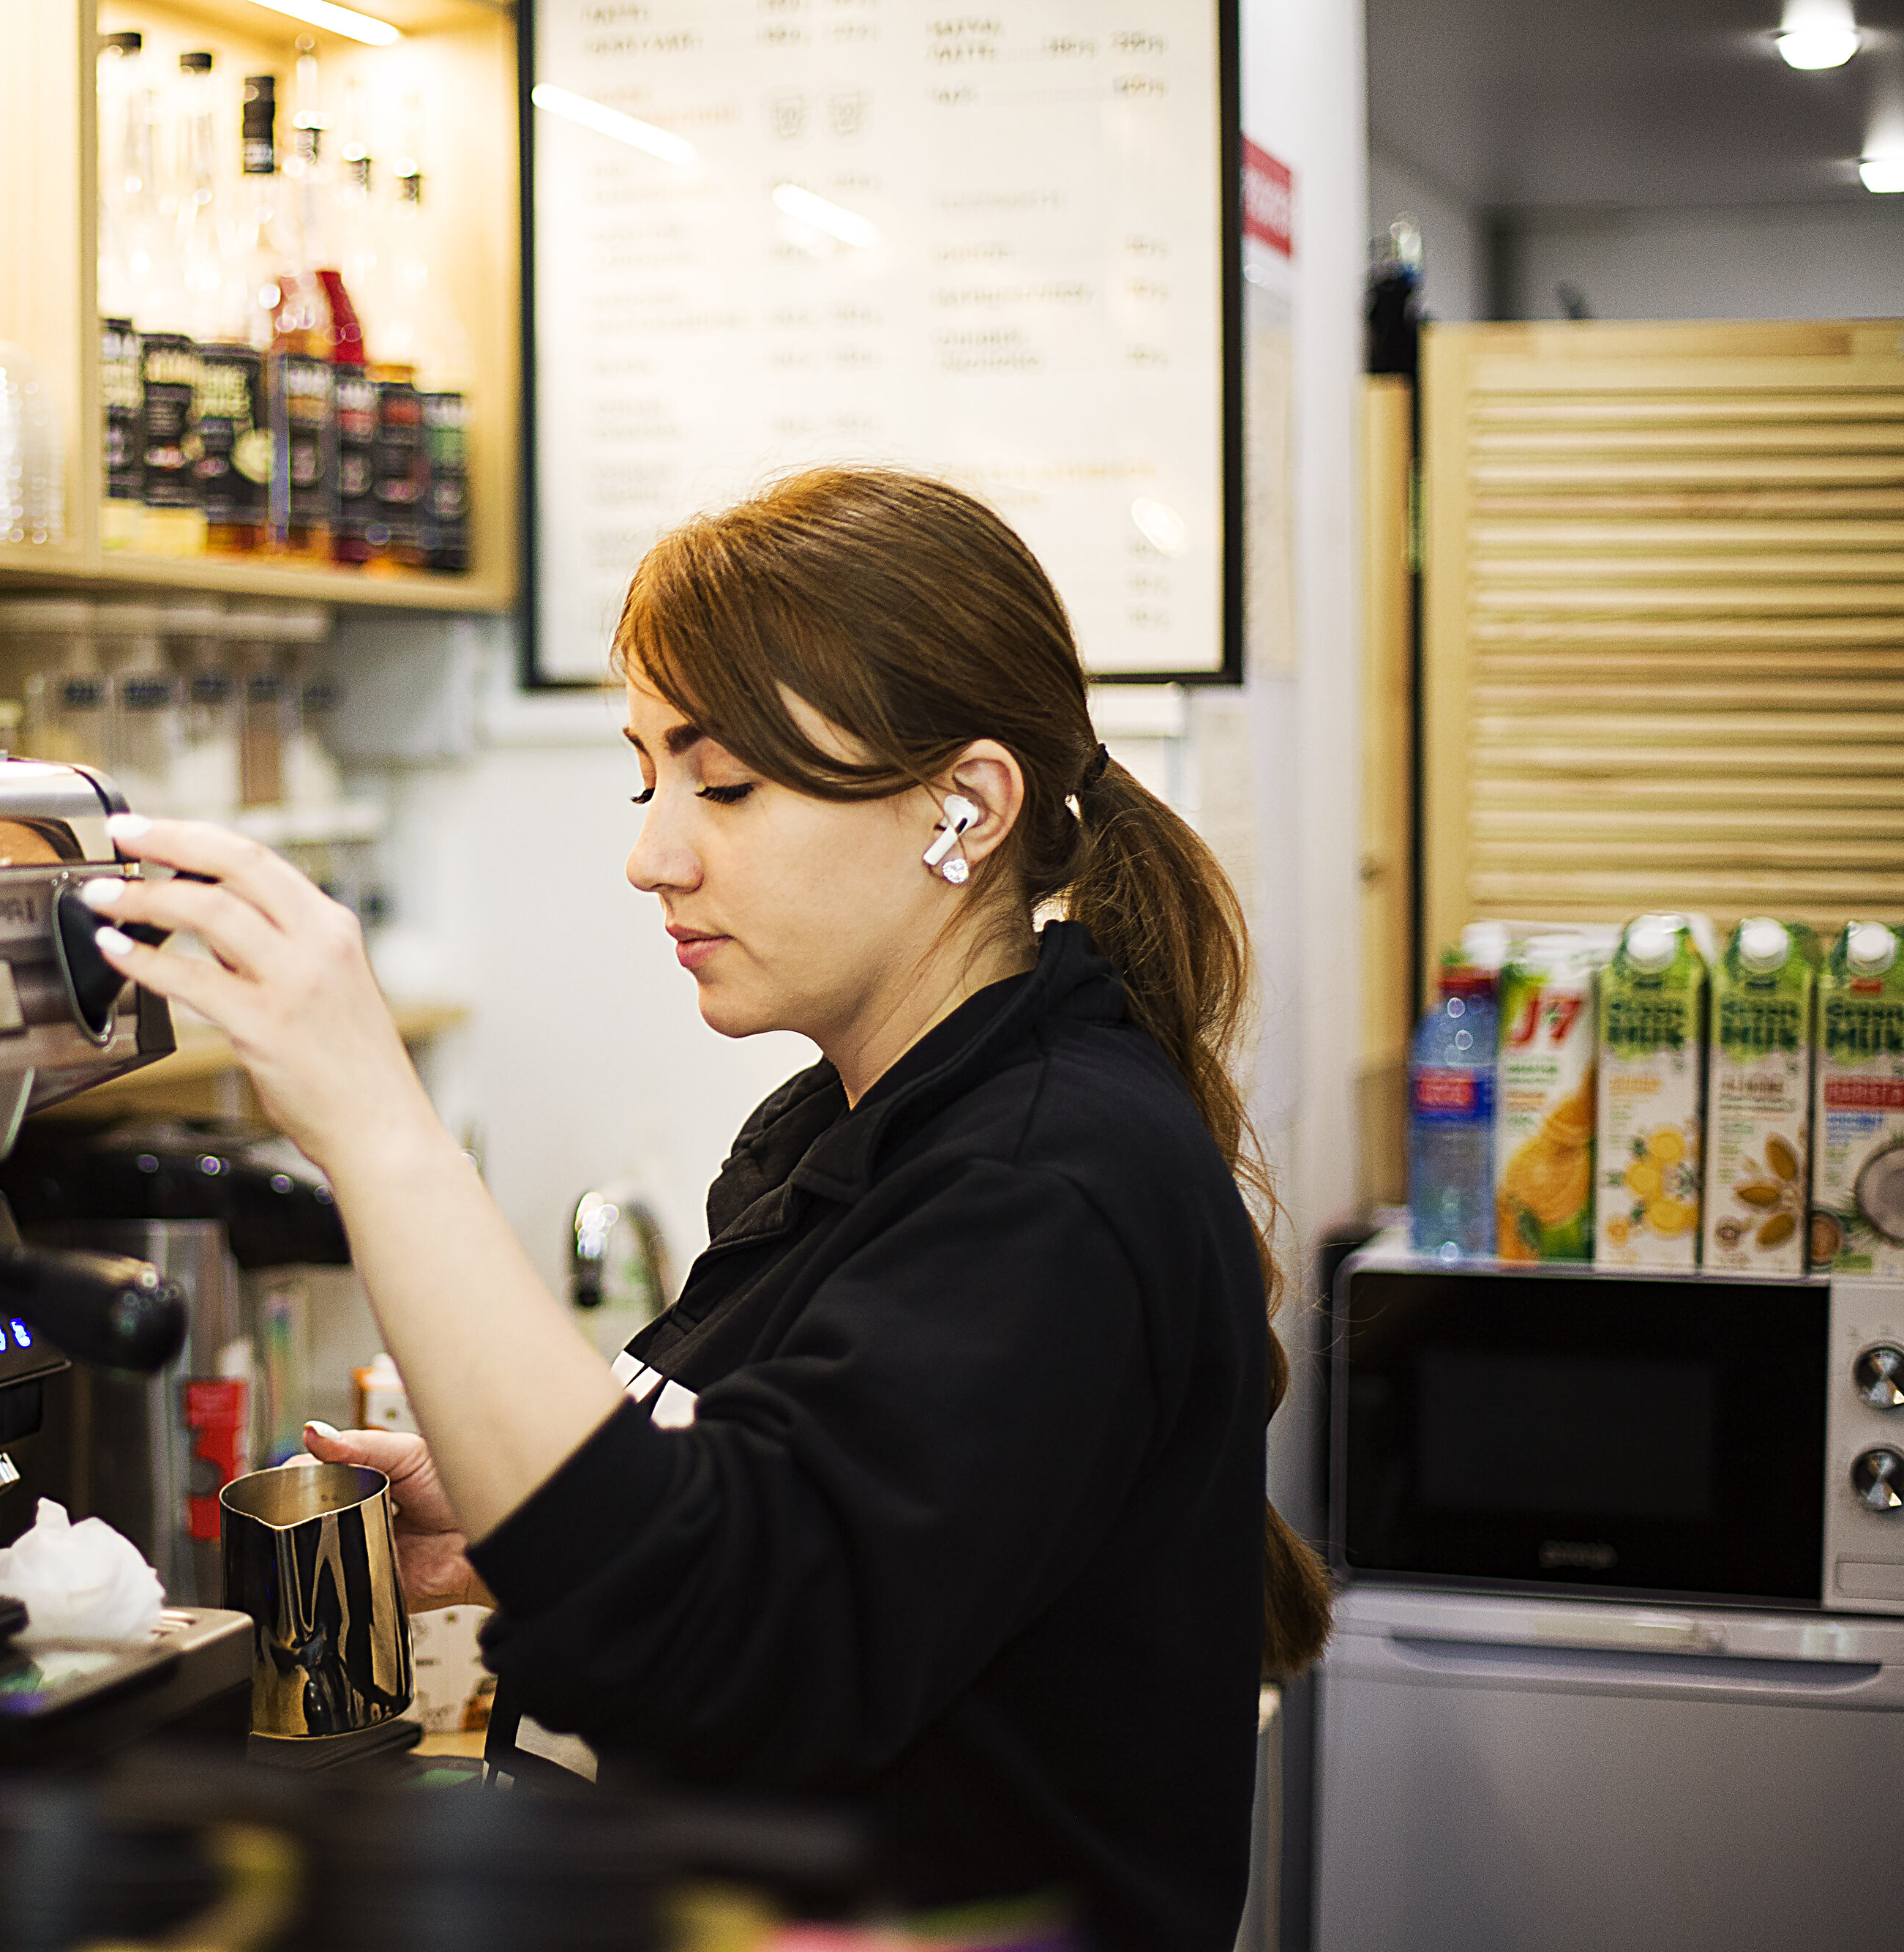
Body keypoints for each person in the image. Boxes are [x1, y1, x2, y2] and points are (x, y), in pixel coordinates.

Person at [76, 466, 1333, 1951]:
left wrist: (376, 1121)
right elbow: (810, 1516)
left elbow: (723, 1645)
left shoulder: (1042, 1182)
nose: (650, 851)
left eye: (722, 783)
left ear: (966, 806)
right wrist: (518, 1510)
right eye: (644, 776)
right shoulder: (849, 1126)